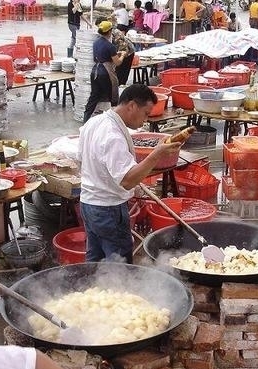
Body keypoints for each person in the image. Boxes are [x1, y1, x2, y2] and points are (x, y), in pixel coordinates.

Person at [78, 84, 182, 263]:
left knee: (94, 260)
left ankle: (90, 288)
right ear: (132, 106)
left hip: (88, 204)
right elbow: (127, 180)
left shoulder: (95, 122)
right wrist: (156, 154)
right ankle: (119, 290)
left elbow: (81, 158)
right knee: (119, 264)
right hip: (107, 208)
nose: (146, 120)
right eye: (146, 114)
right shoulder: (113, 135)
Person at [83, 21, 127, 122]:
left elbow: (96, 58)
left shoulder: (95, 42)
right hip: (106, 73)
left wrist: (114, 54)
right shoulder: (110, 46)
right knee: (113, 98)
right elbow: (118, 62)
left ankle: (86, 120)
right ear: (110, 31)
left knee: (93, 97)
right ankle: (115, 121)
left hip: (95, 72)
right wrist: (123, 55)